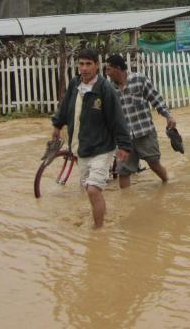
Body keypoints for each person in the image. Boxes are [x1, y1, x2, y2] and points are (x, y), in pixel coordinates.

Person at [51, 49, 132, 228]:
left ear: (97, 66)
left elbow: (117, 119)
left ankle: (98, 232)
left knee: (93, 189)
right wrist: (57, 125)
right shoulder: (74, 85)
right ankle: (101, 215)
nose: (84, 68)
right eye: (81, 64)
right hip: (81, 148)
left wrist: (124, 146)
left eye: (89, 64)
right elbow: (65, 108)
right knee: (88, 191)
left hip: (102, 149)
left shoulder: (105, 89)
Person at [104, 54, 176, 189]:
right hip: (124, 138)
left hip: (144, 132)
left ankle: (167, 184)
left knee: (153, 164)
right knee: (123, 171)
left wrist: (168, 116)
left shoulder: (139, 79)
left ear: (118, 68)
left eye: (108, 69)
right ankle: (127, 204)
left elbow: (156, 99)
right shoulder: (109, 88)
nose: (106, 73)